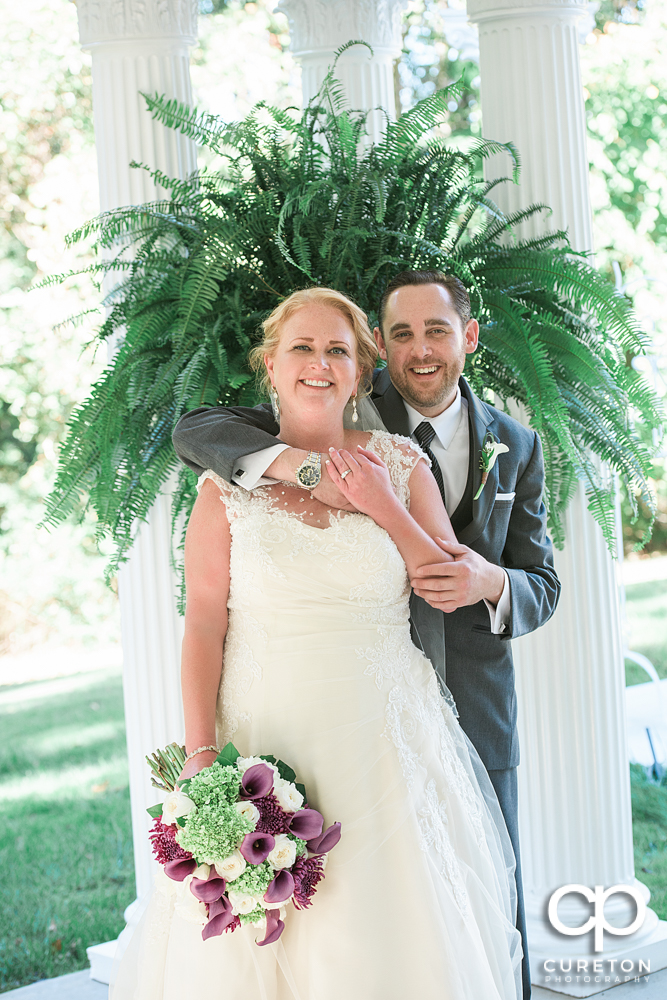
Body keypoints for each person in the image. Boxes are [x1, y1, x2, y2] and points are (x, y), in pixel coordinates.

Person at [112, 287, 523, 999]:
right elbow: (204, 624)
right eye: (301, 347)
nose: (319, 363)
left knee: (391, 933)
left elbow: (440, 578)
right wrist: (202, 755)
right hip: (266, 733)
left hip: (386, 744)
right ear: (269, 367)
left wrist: (381, 504)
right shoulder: (224, 489)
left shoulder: (400, 465)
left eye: (338, 350)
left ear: (361, 373)